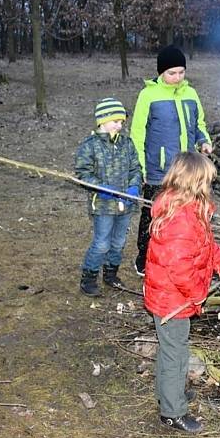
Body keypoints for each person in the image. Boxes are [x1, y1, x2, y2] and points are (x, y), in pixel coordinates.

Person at [144, 152, 220, 433]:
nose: (210, 185)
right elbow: (179, 268)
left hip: (173, 295)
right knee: (175, 353)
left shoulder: (190, 210)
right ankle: (172, 412)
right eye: (207, 181)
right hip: (173, 299)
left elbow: (205, 247)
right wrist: (198, 294)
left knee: (172, 350)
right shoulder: (181, 220)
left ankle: (168, 394)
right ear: (195, 182)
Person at [131, 46, 213, 276]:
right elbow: (137, 134)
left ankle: (177, 255)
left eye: (181, 72)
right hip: (159, 170)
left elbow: (199, 126)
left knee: (184, 214)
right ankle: (144, 258)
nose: (177, 78)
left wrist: (204, 141)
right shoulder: (148, 95)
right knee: (153, 213)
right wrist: (140, 167)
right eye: (172, 73)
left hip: (186, 171)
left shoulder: (191, 94)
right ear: (161, 73)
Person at [74, 98, 142, 296]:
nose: (119, 125)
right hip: (103, 205)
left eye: (121, 122)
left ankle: (111, 274)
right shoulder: (90, 146)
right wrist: (100, 188)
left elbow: (135, 168)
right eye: (115, 121)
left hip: (125, 205)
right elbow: (83, 173)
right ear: (102, 121)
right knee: (102, 243)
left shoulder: (126, 143)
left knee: (119, 241)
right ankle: (89, 277)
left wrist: (134, 187)